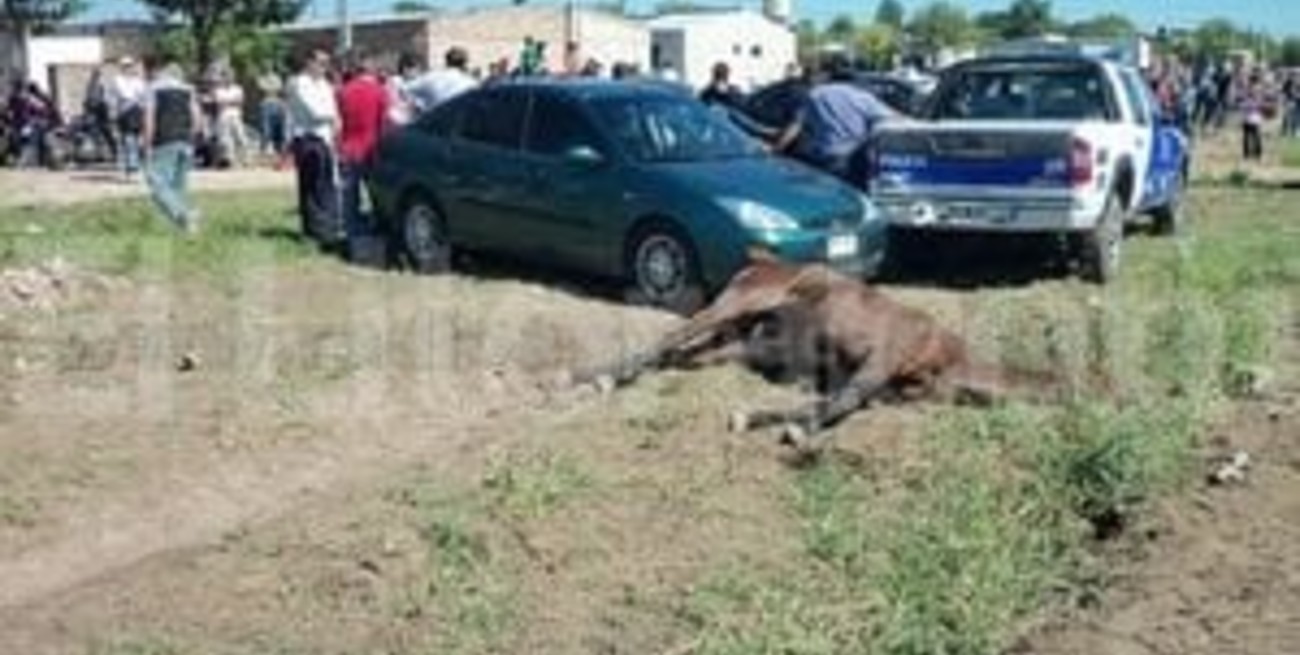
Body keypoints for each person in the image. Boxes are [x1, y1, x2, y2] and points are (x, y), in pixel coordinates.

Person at [775, 55, 899, 182]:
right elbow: (895, 119)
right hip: (853, 161)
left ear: (830, 75)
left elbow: (795, 126)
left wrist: (776, 150)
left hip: (821, 160)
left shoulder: (815, 94)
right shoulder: (862, 97)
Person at [141, 54, 203, 233]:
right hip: (185, 141)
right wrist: (193, 139)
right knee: (178, 187)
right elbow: (197, 118)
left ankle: (185, 213)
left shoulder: (153, 89)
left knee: (156, 183)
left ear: (157, 72)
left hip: (164, 140)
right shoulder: (188, 89)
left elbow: (149, 118)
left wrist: (146, 144)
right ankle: (185, 228)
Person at [335, 50, 389, 248]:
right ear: (371, 67)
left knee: (349, 195)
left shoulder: (343, 91)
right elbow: (384, 124)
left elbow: (338, 122)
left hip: (348, 147)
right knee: (377, 193)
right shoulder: (380, 91)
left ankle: (351, 232)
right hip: (372, 148)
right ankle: (379, 228)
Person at [286, 49, 341, 246]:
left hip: (325, 139)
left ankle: (327, 228)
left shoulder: (325, 84)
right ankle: (312, 232)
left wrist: (335, 120)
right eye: (320, 62)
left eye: (327, 63)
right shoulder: (299, 83)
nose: (324, 67)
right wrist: (332, 117)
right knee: (311, 187)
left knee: (326, 186)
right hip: (308, 139)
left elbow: (334, 109)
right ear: (309, 62)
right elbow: (314, 111)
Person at [109, 57, 147, 178]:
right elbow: (115, 97)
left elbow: (143, 96)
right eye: (125, 66)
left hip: (136, 111)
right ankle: (132, 165)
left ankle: (134, 165)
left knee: (137, 140)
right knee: (128, 139)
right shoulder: (117, 80)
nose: (128, 68)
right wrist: (113, 113)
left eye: (129, 66)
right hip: (124, 111)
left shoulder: (138, 81)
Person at [405, 47, 477, 112]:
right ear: (465, 63)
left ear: (446, 61)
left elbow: (405, 89)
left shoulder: (431, 78)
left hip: (433, 122)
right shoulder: (471, 84)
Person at [213, 70, 249, 166]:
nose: (228, 79)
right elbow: (219, 103)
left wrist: (228, 102)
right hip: (223, 116)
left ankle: (244, 159)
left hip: (236, 115)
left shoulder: (238, 89)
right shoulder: (218, 90)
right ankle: (230, 160)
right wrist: (231, 101)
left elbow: (240, 101)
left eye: (230, 77)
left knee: (241, 137)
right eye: (226, 77)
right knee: (226, 140)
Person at [83, 67, 118, 161]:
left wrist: (108, 111)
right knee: (95, 133)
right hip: (94, 113)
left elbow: (106, 99)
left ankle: (115, 152)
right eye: (94, 74)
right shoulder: (90, 85)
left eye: (97, 75)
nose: (95, 76)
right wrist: (87, 108)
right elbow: (87, 99)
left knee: (107, 133)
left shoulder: (102, 85)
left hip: (102, 112)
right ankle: (99, 154)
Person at [256, 69, 288, 158]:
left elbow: (278, 87)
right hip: (266, 103)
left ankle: (279, 152)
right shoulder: (261, 78)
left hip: (277, 103)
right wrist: (271, 87)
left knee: (279, 129)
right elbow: (263, 87)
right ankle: (263, 151)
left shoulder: (277, 78)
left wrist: (270, 87)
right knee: (265, 129)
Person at [1241, 78, 1265, 162]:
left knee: (1256, 137)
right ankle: (1246, 155)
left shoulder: (1259, 95)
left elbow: (1261, 106)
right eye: (1253, 88)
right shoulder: (1247, 94)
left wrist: (1256, 106)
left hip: (1255, 119)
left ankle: (1258, 154)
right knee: (1246, 137)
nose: (1254, 90)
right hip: (1247, 118)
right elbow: (1243, 105)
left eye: (1256, 88)